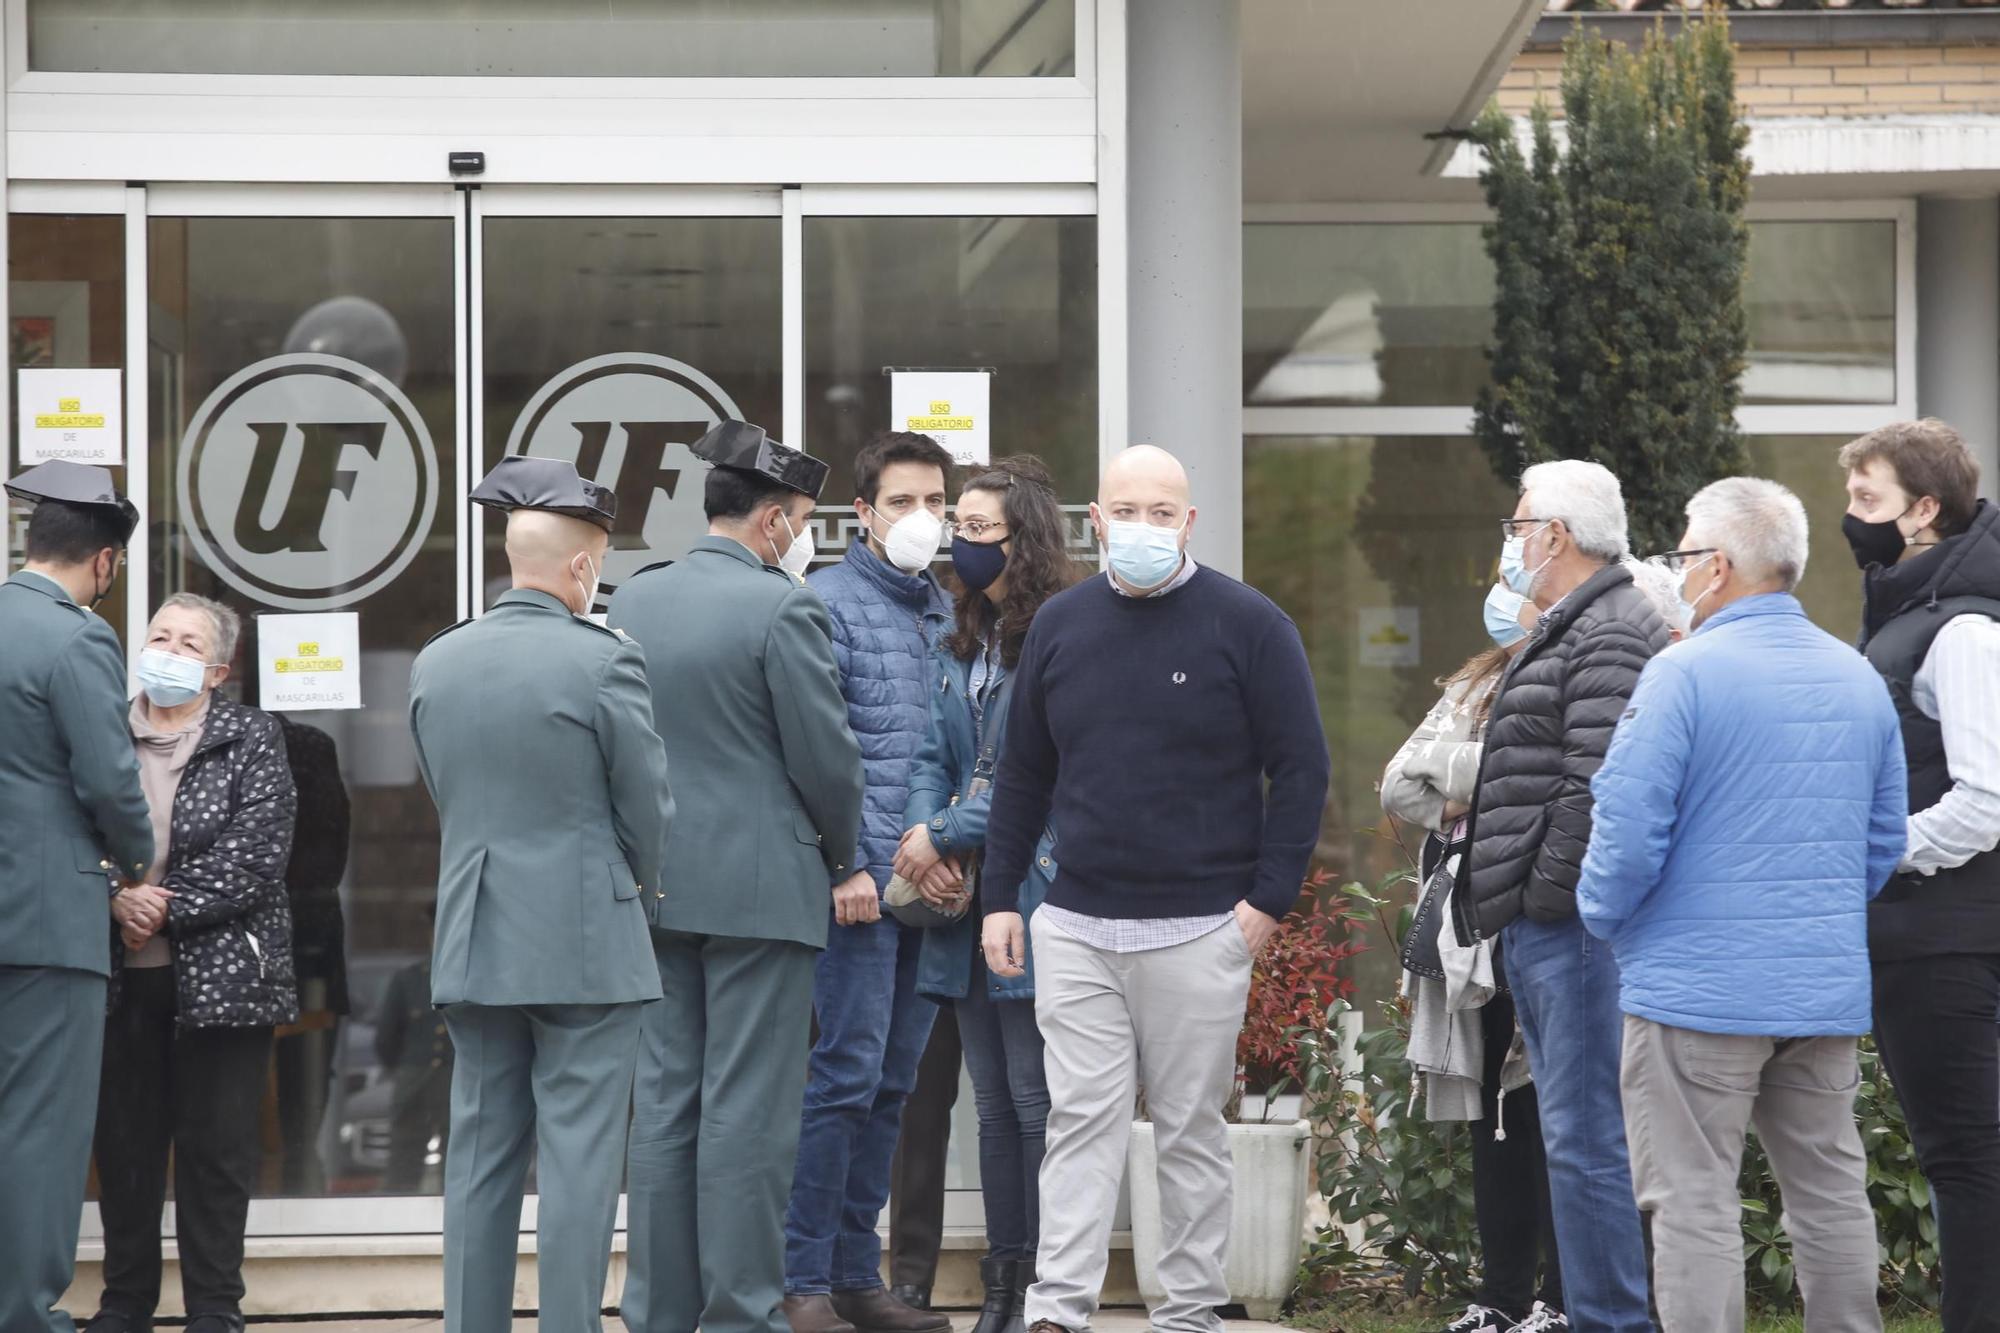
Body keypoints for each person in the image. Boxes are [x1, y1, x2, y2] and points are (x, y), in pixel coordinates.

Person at [979, 445, 1331, 1333]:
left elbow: (1301, 769)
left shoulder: (1251, 624)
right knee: (1080, 1125)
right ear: (1095, 522)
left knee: (1188, 1132)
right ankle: (1057, 1310)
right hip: (1077, 924)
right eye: (1125, 510)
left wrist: (1265, 903)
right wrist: (997, 898)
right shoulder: (1060, 624)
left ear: (1190, 522)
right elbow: (1022, 772)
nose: (1142, 526)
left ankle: (1186, 1313)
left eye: (1161, 511)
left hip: (1200, 926)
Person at [1579, 478, 1903, 1332]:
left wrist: (1605, 920)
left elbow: (1627, 829)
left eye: (1685, 553)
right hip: (1819, 989)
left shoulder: (1680, 673)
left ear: (1717, 567)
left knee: (1692, 1199)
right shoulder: (1857, 676)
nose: (1678, 567)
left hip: (1692, 991)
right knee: (1830, 1189)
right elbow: (1882, 841)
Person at [408, 456, 674, 1333]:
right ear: (582, 567)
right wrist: (633, 886)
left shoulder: (439, 661)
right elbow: (647, 808)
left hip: (478, 932)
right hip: (587, 936)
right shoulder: (603, 661)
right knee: (580, 1163)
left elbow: (446, 793)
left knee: (480, 1157)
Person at [613, 421, 867, 1333]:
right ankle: (740, 1314)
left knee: (666, 1105)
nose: (802, 537)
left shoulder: (635, 601)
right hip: (764, 891)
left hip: (660, 885)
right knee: (749, 1116)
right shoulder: (783, 606)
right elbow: (827, 760)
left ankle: (658, 1310)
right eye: (800, 520)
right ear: (770, 522)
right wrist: (846, 857)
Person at [1450, 459, 1666, 1333]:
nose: (1509, 541)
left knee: (1584, 1141)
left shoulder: (1608, 629)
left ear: (1557, 536)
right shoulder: (1577, 621)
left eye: (1517, 524)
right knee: (1570, 1139)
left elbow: (1595, 787)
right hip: (1545, 926)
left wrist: (1543, 896)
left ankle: (1613, 1320)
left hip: (1571, 927)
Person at [85, 594, 299, 1333]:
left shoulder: (252, 735)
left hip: (223, 978)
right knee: (126, 1146)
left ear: (216, 670)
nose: (168, 652)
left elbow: (258, 854)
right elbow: (64, 830)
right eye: (158, 636)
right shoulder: (100, 734)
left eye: (187, 643)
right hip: (119, 979)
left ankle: (214, 1306)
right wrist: (115, 895)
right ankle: (125, 1301)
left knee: (216, 1149)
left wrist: (158, 906)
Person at [900, 457, 1079, 1333]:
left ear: (1025, 538)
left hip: (1034, 894)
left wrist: (943, 834)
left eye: (977, 528)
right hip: (960, 903)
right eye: (957, 526)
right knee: (995, 1106)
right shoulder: (956, 635)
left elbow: (1030, 778)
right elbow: (932, 751)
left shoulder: (1059, 635)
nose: (960, 541)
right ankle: (1002, 1288)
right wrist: (921, 840)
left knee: (1036, 1100)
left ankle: (1041, 1289)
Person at [786, 431, 955, 1333]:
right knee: (843, 1076)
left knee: (895, 1083)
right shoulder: (825, 604)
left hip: (929, 891)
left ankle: (857, 1274)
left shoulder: (946, 608)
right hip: (859, 893)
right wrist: (843, 860)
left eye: (936, 500)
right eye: (902, 502)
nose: (922, 519)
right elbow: (812, 751)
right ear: (863, 513)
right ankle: (803, 1274)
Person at [1839, 419, 2000, 1330]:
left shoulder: (1962, 629)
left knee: (1966, 1156)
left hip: (1945, 938)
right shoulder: (1915, 611)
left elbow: (1985, 797)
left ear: (1924, 509)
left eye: (1868, 499)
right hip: (1937, 931)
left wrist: (1876, 850)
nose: (1852, 515)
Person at [1381, 580, 1564, 1333]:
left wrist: (1460, 780)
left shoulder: (1578, 676)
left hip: (1551, 923)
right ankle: (1502, 1297)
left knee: (1563, 1122)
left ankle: (1563, 1299)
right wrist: (1501, 775)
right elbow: (1399, 783)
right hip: (1475, 938)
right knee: (1500, 1117)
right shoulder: (1474, 682)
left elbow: (1556, 779)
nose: (1502, 590)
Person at [0, 461, 153, 1333]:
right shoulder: (78, 638)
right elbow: (110, 781)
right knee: (39, 1130)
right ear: (104, 563)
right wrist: (135, 864)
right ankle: (22, 1312)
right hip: (47, 918)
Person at [885, 1014, 962, 1313]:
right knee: (918, 1113)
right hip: (923, 972)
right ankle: (910, 1280)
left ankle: (1017, 1274)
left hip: (991, 975)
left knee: (1012, 1108)